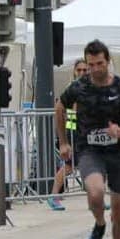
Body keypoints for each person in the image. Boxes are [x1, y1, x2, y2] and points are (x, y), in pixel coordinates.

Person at [56, 40, 120, 239]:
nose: (95, 69)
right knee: (95, 191)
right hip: (90, 150)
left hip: (118, 151)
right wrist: (63, 142)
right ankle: (100, 224)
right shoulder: (79, 86)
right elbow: (60, 107)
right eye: (91, 65)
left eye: (100, 63)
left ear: (108, 61)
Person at [49, 59, 90, 211]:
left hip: (85, 131)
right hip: (73, 131)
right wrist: (64, 139)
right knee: (69, 166)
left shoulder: (91, 86)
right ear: (74, 71)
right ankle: (53, 196)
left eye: (85, 70)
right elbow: (61, 108)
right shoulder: (73, 88)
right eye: (79, 70)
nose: (82, 73)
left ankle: (95, 197)